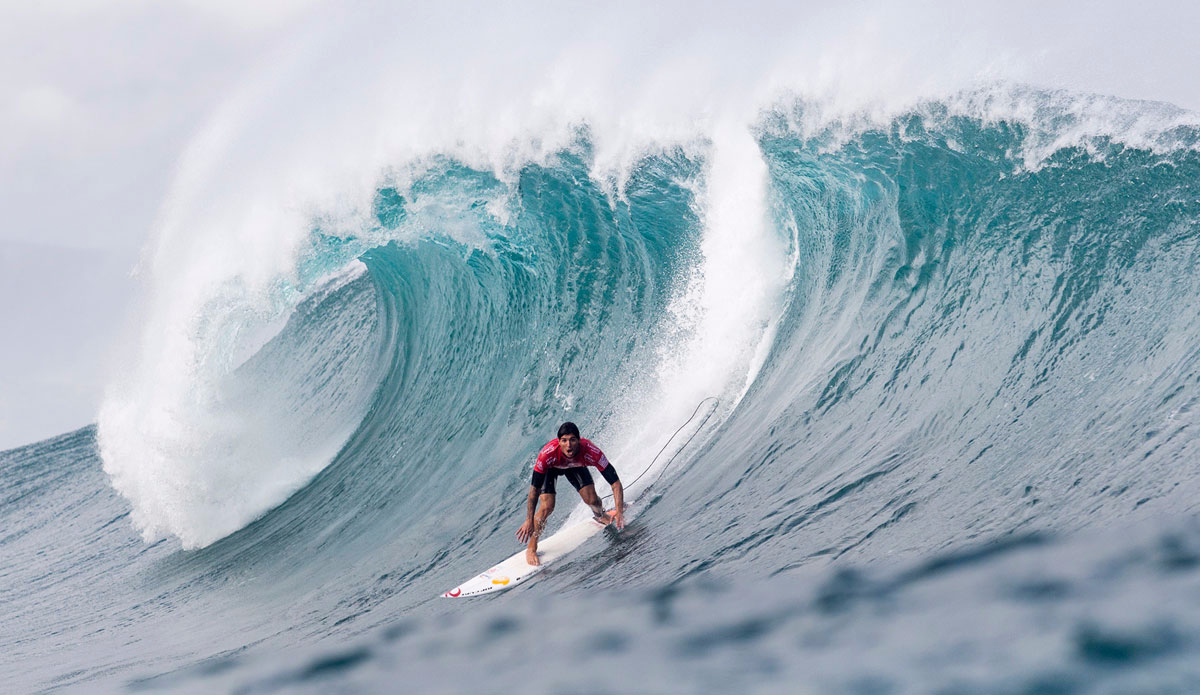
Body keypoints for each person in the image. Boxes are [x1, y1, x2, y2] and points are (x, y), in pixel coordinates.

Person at [515, 422, 624, 566]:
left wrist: (620, 512)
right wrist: (529, 519)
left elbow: (615, 483)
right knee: (547, 506)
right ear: (559, 442)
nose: (569, 445)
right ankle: (531, 548)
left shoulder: (591, 452)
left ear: (579, 440)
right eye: (564, 440)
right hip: (551, 468)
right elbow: (534, 491)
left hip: (575, 466)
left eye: (572, 440)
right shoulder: (546, 455)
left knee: (592, 500)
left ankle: (600, 515)